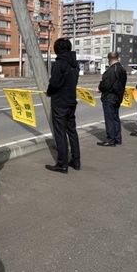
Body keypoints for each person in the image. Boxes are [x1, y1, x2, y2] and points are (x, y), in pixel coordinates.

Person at [45, 37, 81, 173]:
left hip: (60, 103)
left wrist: (49, 92)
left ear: (57, 50)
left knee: (60, 133)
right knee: (72, 131)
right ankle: (76, 160)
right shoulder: (74, 64)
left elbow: (54, 83)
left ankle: (62, 163)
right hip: (71, 101)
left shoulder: (59, 64)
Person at [96, 51, 127, 146]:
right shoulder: (122, 69)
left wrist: (100, 88)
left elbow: (106, 84)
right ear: (118, 58)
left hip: (109, 97)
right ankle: (117, 138)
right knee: (115, 118)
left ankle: (110, 139)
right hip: (118, 96)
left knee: (109, 118)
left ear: (109, 60)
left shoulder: (110, 71)